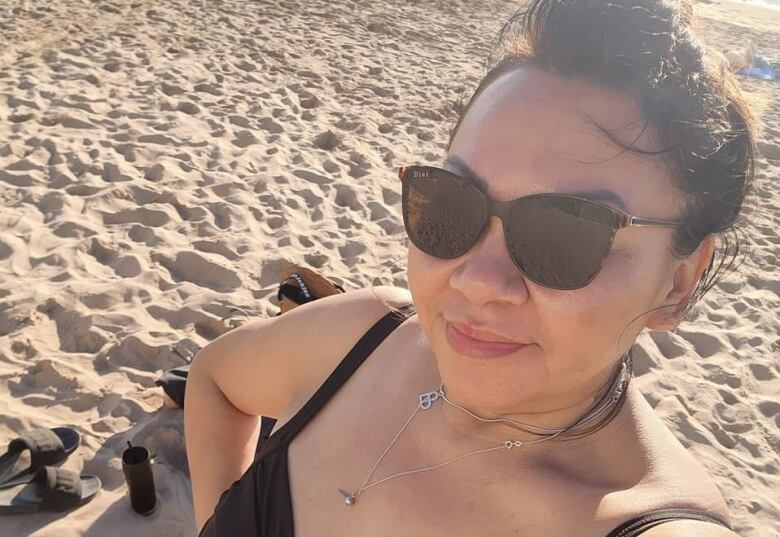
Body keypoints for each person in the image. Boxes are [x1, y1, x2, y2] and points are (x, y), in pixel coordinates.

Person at [184, 0, 756, 535]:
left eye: (565, 233)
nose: (477, 279)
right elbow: (213, 381)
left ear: (676, 283)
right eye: (454, 202)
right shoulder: (359, 337)